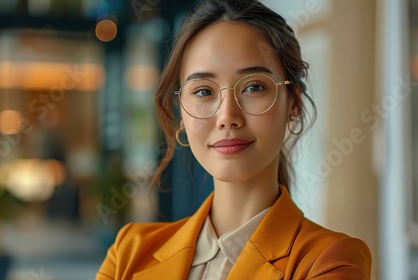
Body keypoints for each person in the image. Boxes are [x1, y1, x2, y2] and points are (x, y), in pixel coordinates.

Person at [97, 0, 372, 279]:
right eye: (204, 91)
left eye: (254, 87)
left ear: (294, 104)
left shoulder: (330, 260)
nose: (228, 116)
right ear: (181, 112)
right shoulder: (129, 252)